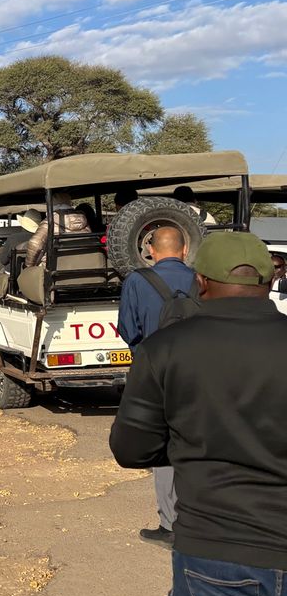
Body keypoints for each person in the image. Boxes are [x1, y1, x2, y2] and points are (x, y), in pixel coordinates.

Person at [109, 232, 287, 596]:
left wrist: (191, 441)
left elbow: (132, 449)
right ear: (270, 279)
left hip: (218, 551)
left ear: (201, 281)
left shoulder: (164, 349)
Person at [116, 225, 195, 547]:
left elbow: (127, 329)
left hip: (156, 375)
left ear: (150, 251)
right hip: (200, 371)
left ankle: (170, 524)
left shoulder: (137, 281)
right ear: (185, 250)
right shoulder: (200, 279)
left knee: (164, 447)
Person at [24, 201, 89, 268]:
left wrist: (29, 266)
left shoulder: (49, 222)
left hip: (55, 266)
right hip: (83, 263)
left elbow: (35, 243)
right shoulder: (84, 221)